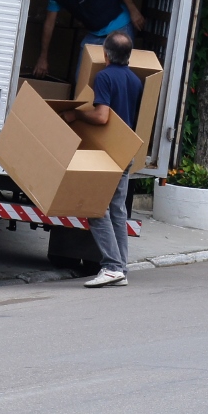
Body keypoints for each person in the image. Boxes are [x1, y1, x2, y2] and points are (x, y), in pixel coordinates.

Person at [59, 31, 143, 287]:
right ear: (128, 55)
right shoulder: (135, 81)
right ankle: (121, 268)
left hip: (107, 153)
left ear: (105, 55)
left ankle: (111, 266)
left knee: (96, 210)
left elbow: (102, 117)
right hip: (124, 152)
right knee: (118, 211)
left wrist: (77, 115)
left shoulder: (104, 77)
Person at [32, 0, 146, 80]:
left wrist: (133, 10)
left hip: (119, 27)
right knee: (81, 80)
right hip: (95, 34)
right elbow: (49, 24)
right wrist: (43, 57)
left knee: (116, 77)